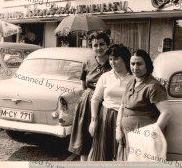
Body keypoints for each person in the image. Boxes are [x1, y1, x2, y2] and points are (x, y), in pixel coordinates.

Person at [116, 49, 172, 161]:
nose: (135, 67)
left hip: (143, 137)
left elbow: (166, 113)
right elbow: (122, 107)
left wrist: (151, 134)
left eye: (139, 64)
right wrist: (118, 129)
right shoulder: (131, 83)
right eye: (133, 64)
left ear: (147, 65)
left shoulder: (153, 86)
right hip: (126, 134)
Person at [68, 32, 111, 161]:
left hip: (106, 102)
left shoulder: (113, 60)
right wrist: (87, 97)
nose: (99, 48)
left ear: (108, 45)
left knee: (102, 138)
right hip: (88, 102)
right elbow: (83, 83)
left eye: (102, 44)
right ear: (91, 47)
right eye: (95, 45)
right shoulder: (88, 62)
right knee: (84, 138)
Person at [88, 44, 134, 161]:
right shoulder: (105, 76)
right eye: (110, 59)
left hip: (125, 118)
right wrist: (94, 121)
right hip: (106, 117)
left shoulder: (133, 78)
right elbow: (96, 99)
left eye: (116, 58)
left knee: (123, 151)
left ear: (125, 59)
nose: (112, 62)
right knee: (103, 152)